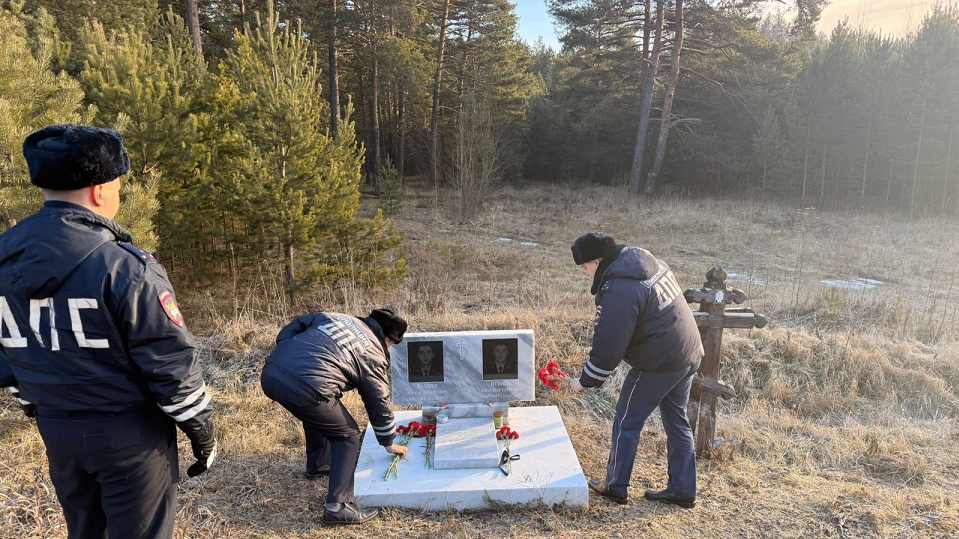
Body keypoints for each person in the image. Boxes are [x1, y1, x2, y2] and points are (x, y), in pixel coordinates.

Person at [0, 124, 217, 539]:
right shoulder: (127, 267)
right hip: (131, 437)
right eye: (118, 184)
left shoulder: (4, 258)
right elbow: (170, 364)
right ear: (100, 190)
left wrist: (38, 403)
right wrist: (202, 431)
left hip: (57, 431)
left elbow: (8, 358)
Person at [569, 232, 703, 509]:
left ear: (597, 260)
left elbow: (610, 341)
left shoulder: (621, 287)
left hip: (659, 361)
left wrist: (586, 380)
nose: (585, 274)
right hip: (688, 351)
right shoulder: (644, 260)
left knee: (627, 420)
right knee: (677, 421)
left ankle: (616, 486)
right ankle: (682, 489)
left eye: (584, 267)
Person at [260, 308, 409, 526]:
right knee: (347, 435)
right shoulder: (373, 352)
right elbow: (379, 400)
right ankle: (338, 507)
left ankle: (318, 464)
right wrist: (388, 442)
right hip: (306, 387)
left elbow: (298, 324)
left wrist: (284, 348)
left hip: (271, 373)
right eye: (390, 345)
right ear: (388, 338)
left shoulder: (336, 317)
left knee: (320, 412)